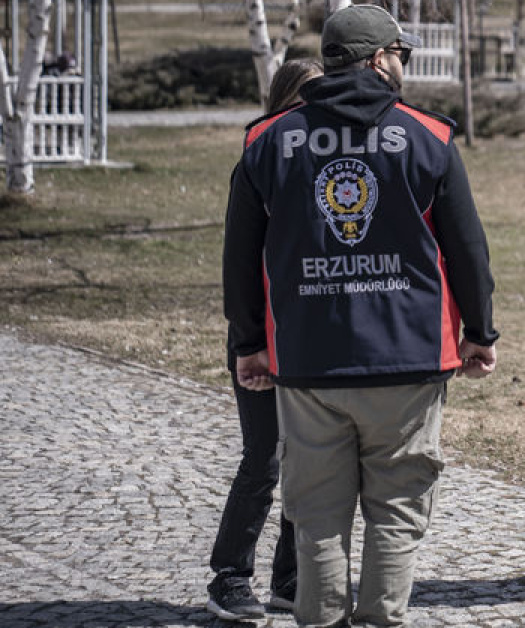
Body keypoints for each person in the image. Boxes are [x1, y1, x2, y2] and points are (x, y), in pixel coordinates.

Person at [222, 5, 498, 627]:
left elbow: (238, 257)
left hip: (308, 361)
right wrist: (480, 333)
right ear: (378, 60)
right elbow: (467, 248)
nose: (403, 64)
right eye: (401, 53)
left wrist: (249, 344)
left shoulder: (268, 140)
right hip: (409, 358)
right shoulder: (428, 137)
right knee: (396, 513)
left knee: (317, 516)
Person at [205, 57, 323, 622]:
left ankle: (290, 577)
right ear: (283, 101)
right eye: (305, 98)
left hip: (307, 335)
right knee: (265, 458)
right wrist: (249, 339)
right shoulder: (256, 161)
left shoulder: (320, 166)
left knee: (305, 459)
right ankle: (229, 576)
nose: (314, 111)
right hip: (259, 336)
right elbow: (240, 265)